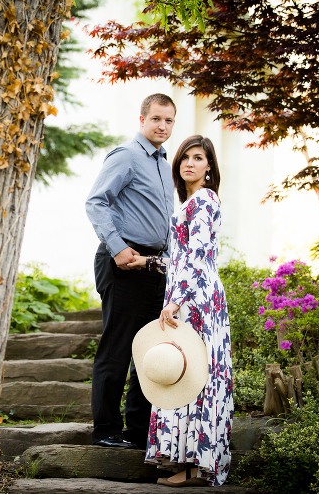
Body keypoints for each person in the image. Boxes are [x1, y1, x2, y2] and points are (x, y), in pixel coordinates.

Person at [127, 135, 233, 486]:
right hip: (188, 294)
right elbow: (180, 259)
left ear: (209, 166)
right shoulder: (188, 203)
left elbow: (199, 256)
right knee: (183, 371)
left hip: (196, 299)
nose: (189, 162)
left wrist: (178, 299)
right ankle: (185, 459)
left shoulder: (204, 199)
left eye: (198, 157)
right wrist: (147, 262)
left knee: (194, 373)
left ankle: (196, 466)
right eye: (185, 157)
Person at [85, 93, 176, 449]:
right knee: (118, 348)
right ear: (142, 119)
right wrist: (118, 246)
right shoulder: (127, 155)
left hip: (154, 266)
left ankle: (138, 430)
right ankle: (105, 430)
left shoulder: (163, 163)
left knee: (149, 350)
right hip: (124, 262)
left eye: (168, 120)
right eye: (156, 119)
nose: (162, 126)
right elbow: (96, 201)